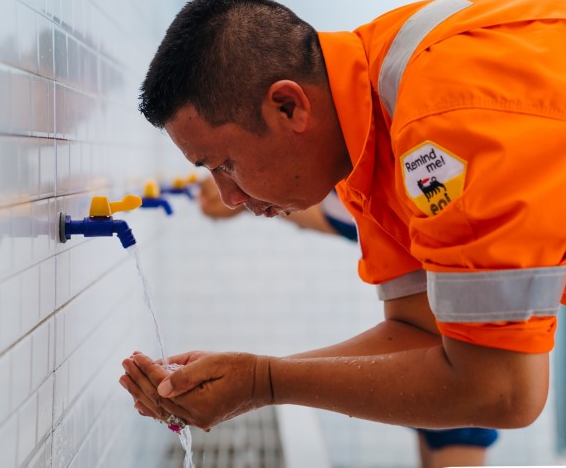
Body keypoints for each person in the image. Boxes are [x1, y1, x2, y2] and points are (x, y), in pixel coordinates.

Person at [120, 0, 566, 464]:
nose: (227, 196)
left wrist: (268, 383)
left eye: (225, 164)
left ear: (287, 105)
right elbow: (419, 334)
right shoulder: (368, 135)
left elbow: (502, 389)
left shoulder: (446, 123)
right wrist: (251, 378)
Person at [198, 176, 499, 468]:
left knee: (458, 424)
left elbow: (509, 392)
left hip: (465, 353)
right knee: (440, 426)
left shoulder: (383, 176)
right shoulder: (360, 192)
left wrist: (263, 382)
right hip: (443, 350)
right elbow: (332, 217)